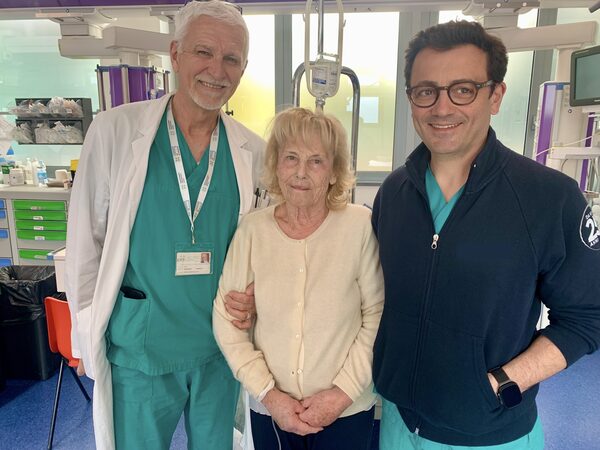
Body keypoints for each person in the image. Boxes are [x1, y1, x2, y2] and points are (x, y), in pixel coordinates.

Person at [372, 20, 600, 450]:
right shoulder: (394, 194)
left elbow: (587, 318)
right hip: (398, 421)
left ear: (495, 96)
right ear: (411, 99)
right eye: (426, 91)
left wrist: (501, 384)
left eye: (463, 89)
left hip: (489, 433)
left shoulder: (548, 198)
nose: (442, 108)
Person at [65, 2, 265, 449]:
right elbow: (85, 242)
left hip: (219, 349)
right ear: (175, 54)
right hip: (142, 348)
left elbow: (262, 246)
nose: (217, 70)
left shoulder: (253, 150)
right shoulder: (115, 132)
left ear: (243, 68)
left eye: (231, 58)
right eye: (203, 52)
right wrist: (83, 333)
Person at [213, 107, 384, 450]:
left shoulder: (359, 227)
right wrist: (269, 395)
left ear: (334, 172)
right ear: (276, 165)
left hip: (347, 409)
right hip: (272, 410)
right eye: (291, 158)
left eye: (316, 161)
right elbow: (226, 320)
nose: (301, 172)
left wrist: (342, 393)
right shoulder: (253, 230)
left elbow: (377, 317)